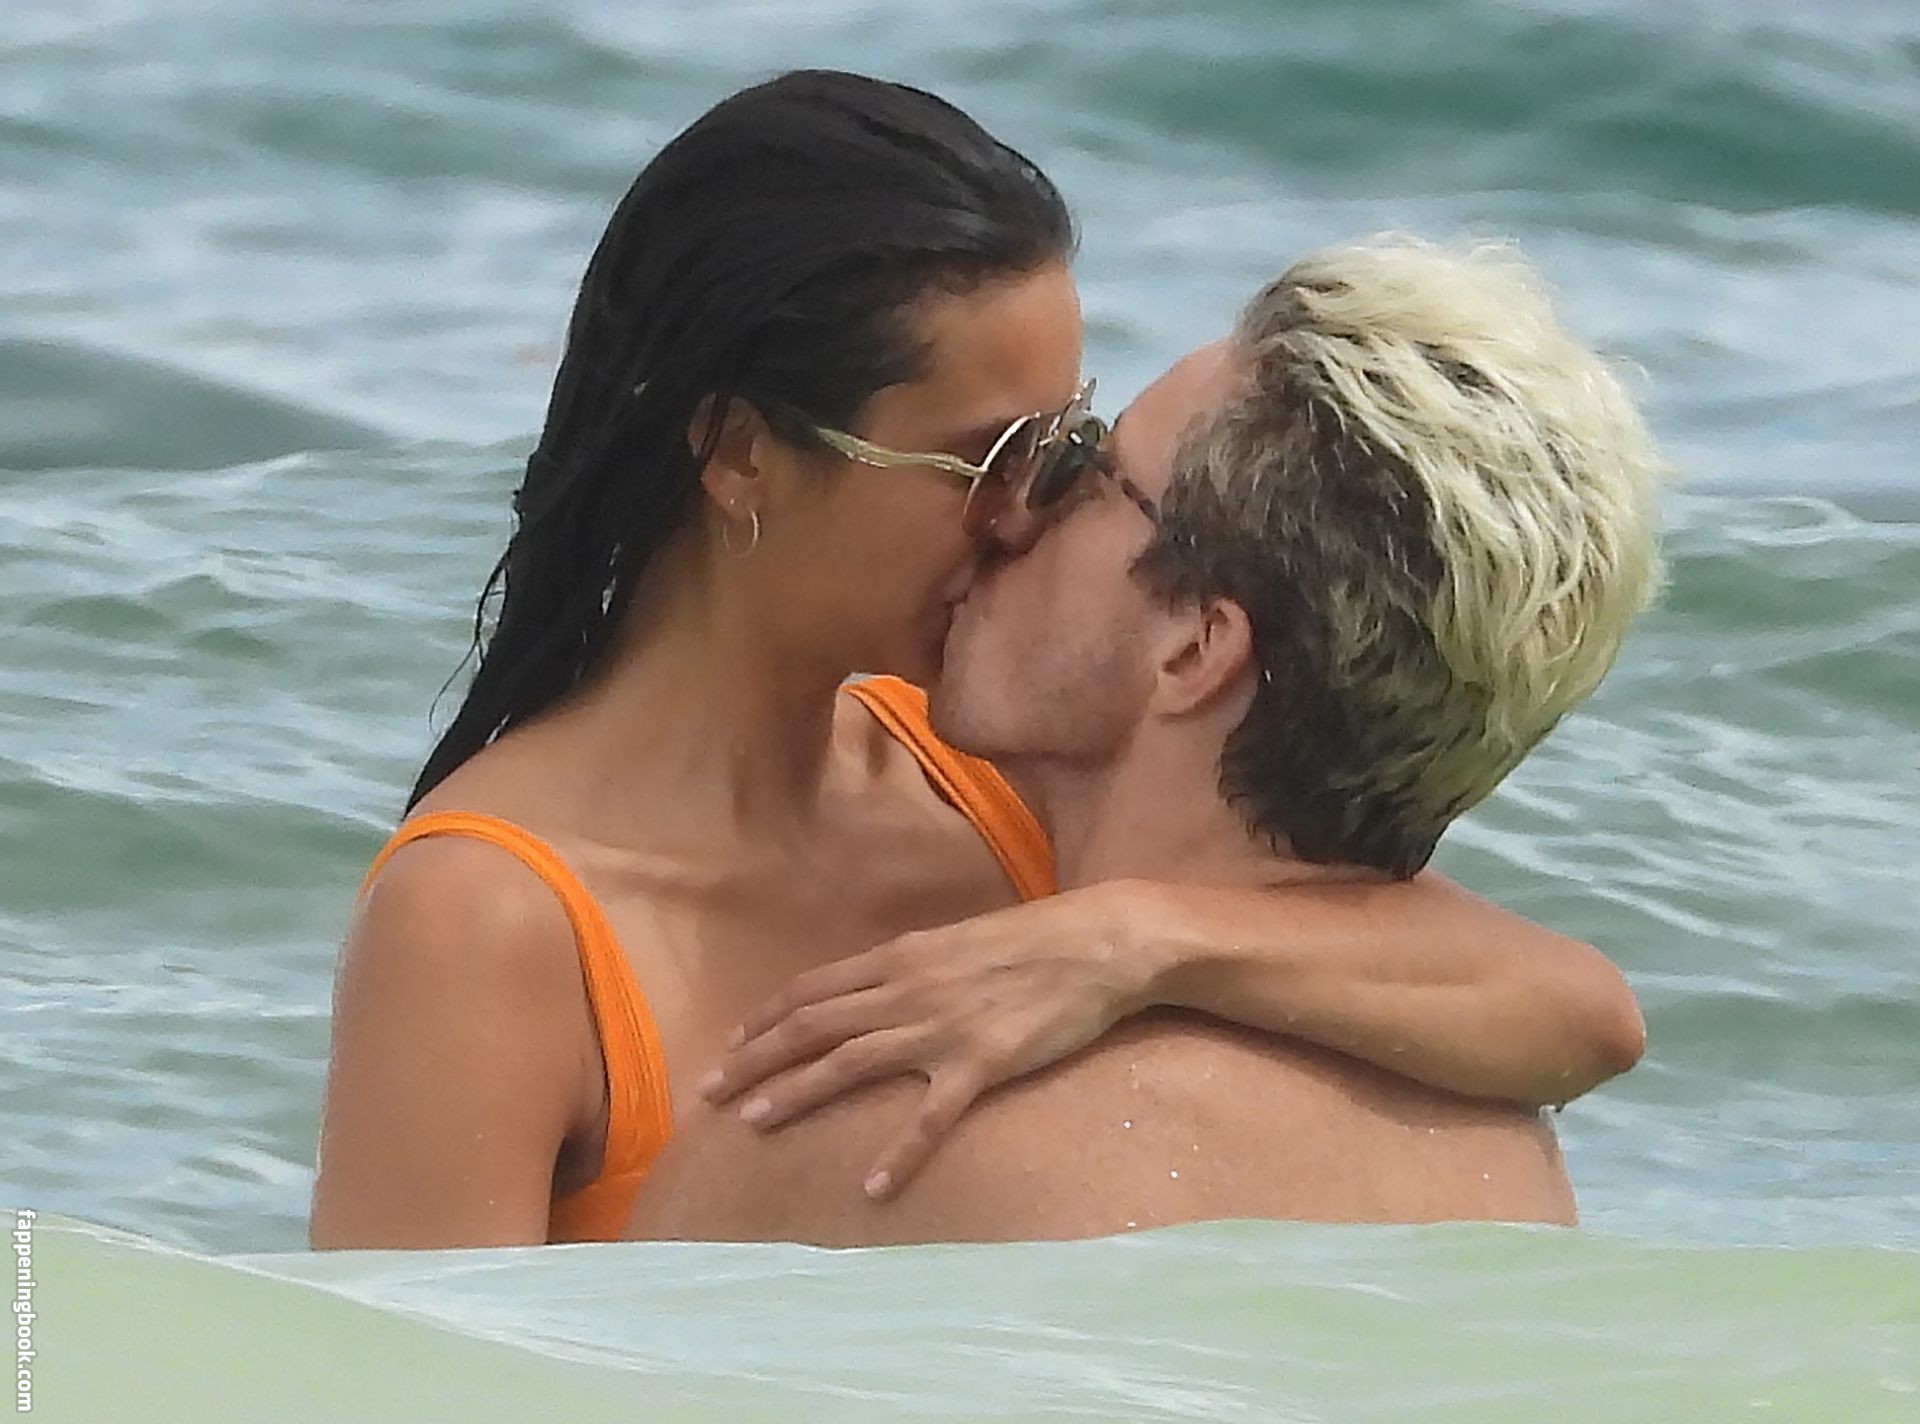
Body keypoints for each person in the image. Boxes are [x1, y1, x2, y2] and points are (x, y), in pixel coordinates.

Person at [309, 71, 1642, 1251]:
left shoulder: (990, 776)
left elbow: (1574, 1004)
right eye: (990, 459)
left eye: (1068, 451)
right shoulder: (487, 921)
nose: (1026, 517)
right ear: (742, 454)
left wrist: (1132, 942)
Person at [634, 235, 1666, 1243]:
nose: (1013, 515)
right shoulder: (1503, 1154)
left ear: (1194, 648)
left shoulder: (850, 1137)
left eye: (1085, 469)